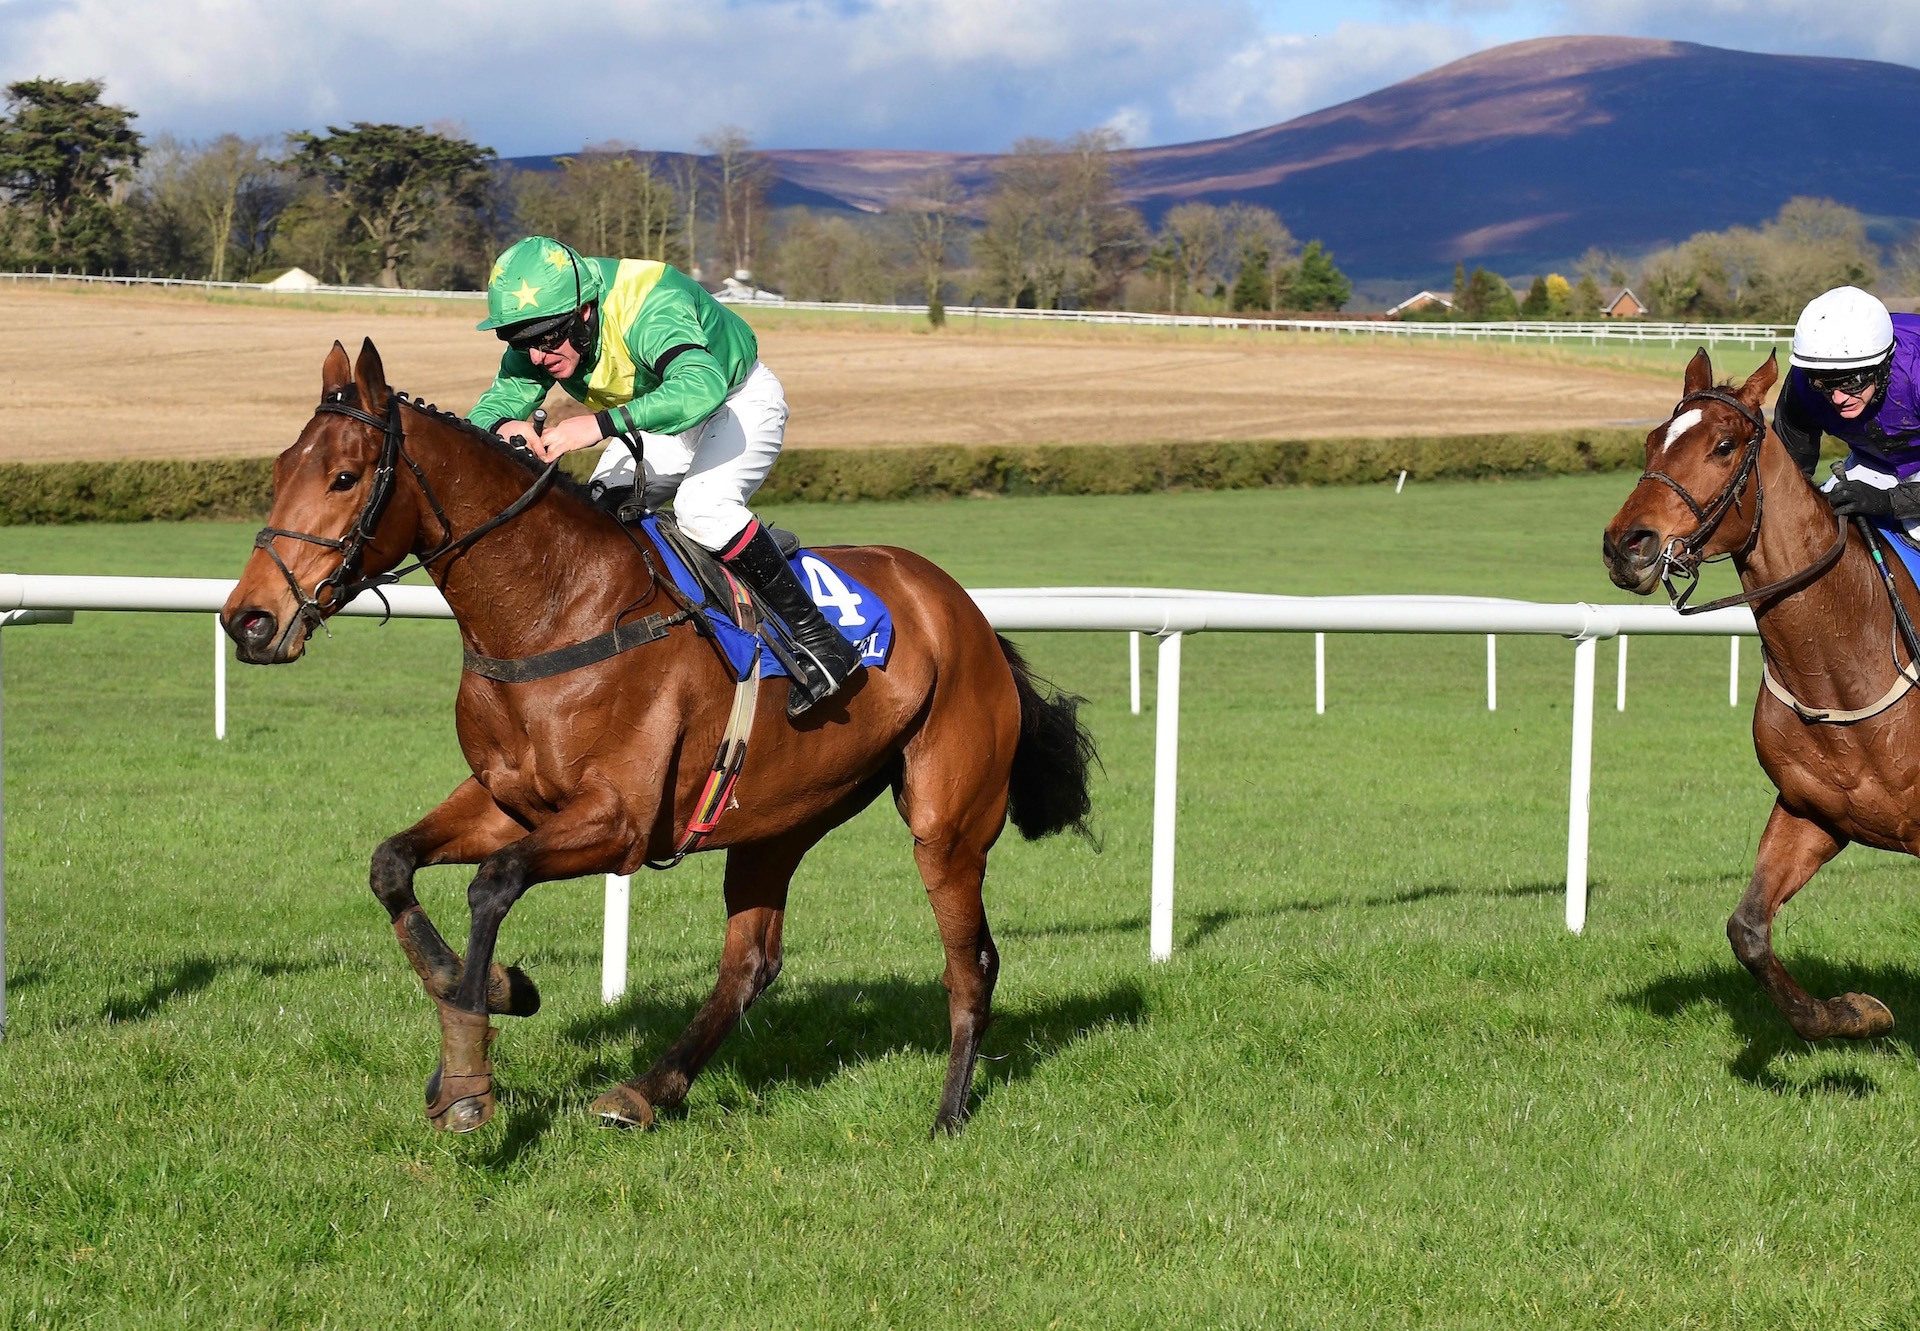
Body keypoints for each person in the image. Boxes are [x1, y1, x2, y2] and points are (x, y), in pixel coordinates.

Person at [467, 235, 859, 717]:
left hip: (734, 402)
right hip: (658, 415)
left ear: (585, 312)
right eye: (519, 342)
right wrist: (505, 426)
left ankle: (822, 641)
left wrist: (597, 424)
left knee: (704, 510)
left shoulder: (650, 304)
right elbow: (492, 406)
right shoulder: (544, 331)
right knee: (595, 513)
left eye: (547, 339)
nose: (536, 357)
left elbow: (700, 387)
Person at [1775, 286, 1920, 522]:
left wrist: (1889, 501)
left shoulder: (1915, 373)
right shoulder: (1804, 381)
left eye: (1853, 382)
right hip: (1873, 462)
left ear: (1883, 367)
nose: (1838, 398)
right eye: (1824, 384)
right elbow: (1790, 470)